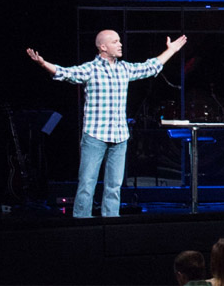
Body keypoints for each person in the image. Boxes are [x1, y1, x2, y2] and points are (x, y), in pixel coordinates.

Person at [26, 30, 187, 218]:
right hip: (95, 136)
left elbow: (150, 67)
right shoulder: (91, 69)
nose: (120, 44)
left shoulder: (124, 68)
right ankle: (82, 224)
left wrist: (171, 50)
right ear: (103, 47)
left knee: (114, 186)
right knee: (87, 184)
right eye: (115, 41)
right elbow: (65, 73)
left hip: (119, 137)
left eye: (119, 41)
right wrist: (43, 63)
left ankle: (110, 224)